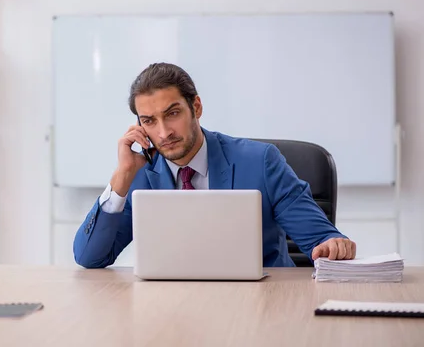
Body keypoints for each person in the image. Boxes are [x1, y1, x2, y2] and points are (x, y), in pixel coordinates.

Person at [73, 62, 356, 268]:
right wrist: (121, 176)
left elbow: (321, 238)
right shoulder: (141, 173)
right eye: (149, 121)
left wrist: (333, 245)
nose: (163, 133)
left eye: (172, 114)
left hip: (263, 303)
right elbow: (90, 258)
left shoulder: (261, 161)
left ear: (196, 107)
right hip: (169, 310)